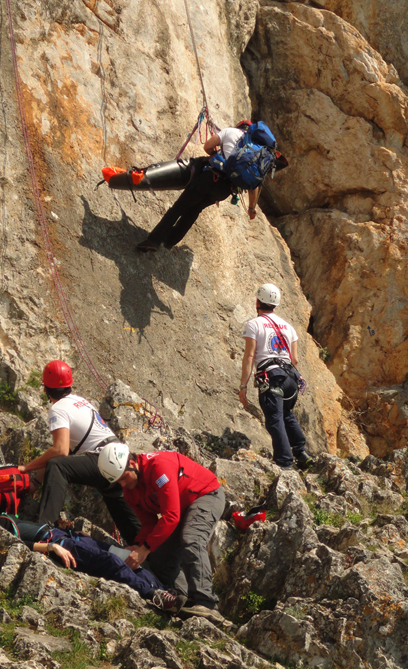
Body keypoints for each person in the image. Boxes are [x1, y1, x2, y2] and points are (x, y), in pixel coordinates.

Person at [98, 443, 226, 622]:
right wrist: (138, 545)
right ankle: (186, 601)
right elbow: (149, 524)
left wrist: (144, 549)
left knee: (192, 539)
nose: (123, 484)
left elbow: (171, 516)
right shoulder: (130, 491)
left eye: (123, 477)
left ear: (133, 464)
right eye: (118, 481)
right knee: (158, 557)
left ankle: (206, 603)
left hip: (205, 495)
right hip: (181, 507)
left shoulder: (159, 468)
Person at [18, 360, 140, 544]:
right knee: (128, 521)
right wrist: (36, 481)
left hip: (103, 458)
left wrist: (26, 468)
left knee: (58, 466)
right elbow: (61, 453)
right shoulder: (81, 401)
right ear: (69, 385)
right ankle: (147, 556)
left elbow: (60, 451)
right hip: (119, 458)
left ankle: (44, 530)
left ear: (45, 389)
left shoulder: (57, 409)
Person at [136, 120, 259, 252]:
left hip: (209, 178)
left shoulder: (230, 132)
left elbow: (207, 146)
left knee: (179, 207)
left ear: (239, 126)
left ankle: (154, 240)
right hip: (224, 190)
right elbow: (255, 183)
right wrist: (251, 208)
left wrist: (215, 154)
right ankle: (170, 241)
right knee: (194, 210)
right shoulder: (254, 149)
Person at [0, 515, 168, 604]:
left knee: (128, 558)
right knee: (111, 562)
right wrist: (51, 547)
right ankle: (153, 595)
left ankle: (167, 593)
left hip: (66, 536)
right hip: (59, 543)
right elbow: (15, 544)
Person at [238, 283, 312, 471]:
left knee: (274, 418)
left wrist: (243, 385)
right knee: (286, 413)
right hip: (291, 379)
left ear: (257, 301)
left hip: (271, 376)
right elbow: (294, 359)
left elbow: (249, 356)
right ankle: (300, 451)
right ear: (276, 305)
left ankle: (284, 462)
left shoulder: (254, 324)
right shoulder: (289, 327)